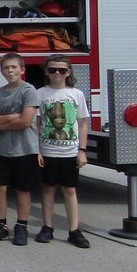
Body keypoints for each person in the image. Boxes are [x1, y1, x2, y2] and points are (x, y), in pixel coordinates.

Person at [35, 56, 92, 248]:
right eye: (52, 70)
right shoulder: (40, 94)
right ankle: (47, 227)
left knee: (69, 189)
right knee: (48, 188)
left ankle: (74, 230)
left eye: (61, 70)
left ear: (68, 72)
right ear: (46, 72)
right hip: (48, 150)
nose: (57, 73)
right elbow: (37, 124)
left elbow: (83, 124)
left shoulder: (76, 94)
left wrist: (82, 151)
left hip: (70, 151)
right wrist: (38, 151)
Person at [0, 53, 41, 246]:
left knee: (23, 190)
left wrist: (4, 121)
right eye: (6, 68)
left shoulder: (29, 90)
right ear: (1, 71)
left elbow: (26, 121)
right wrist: (12, 116)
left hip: (25, 149)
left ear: (22, 70)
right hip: (2, 149)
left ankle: (21, 226)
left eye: (14, 67)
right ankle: (0, 226)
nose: (10, 71)